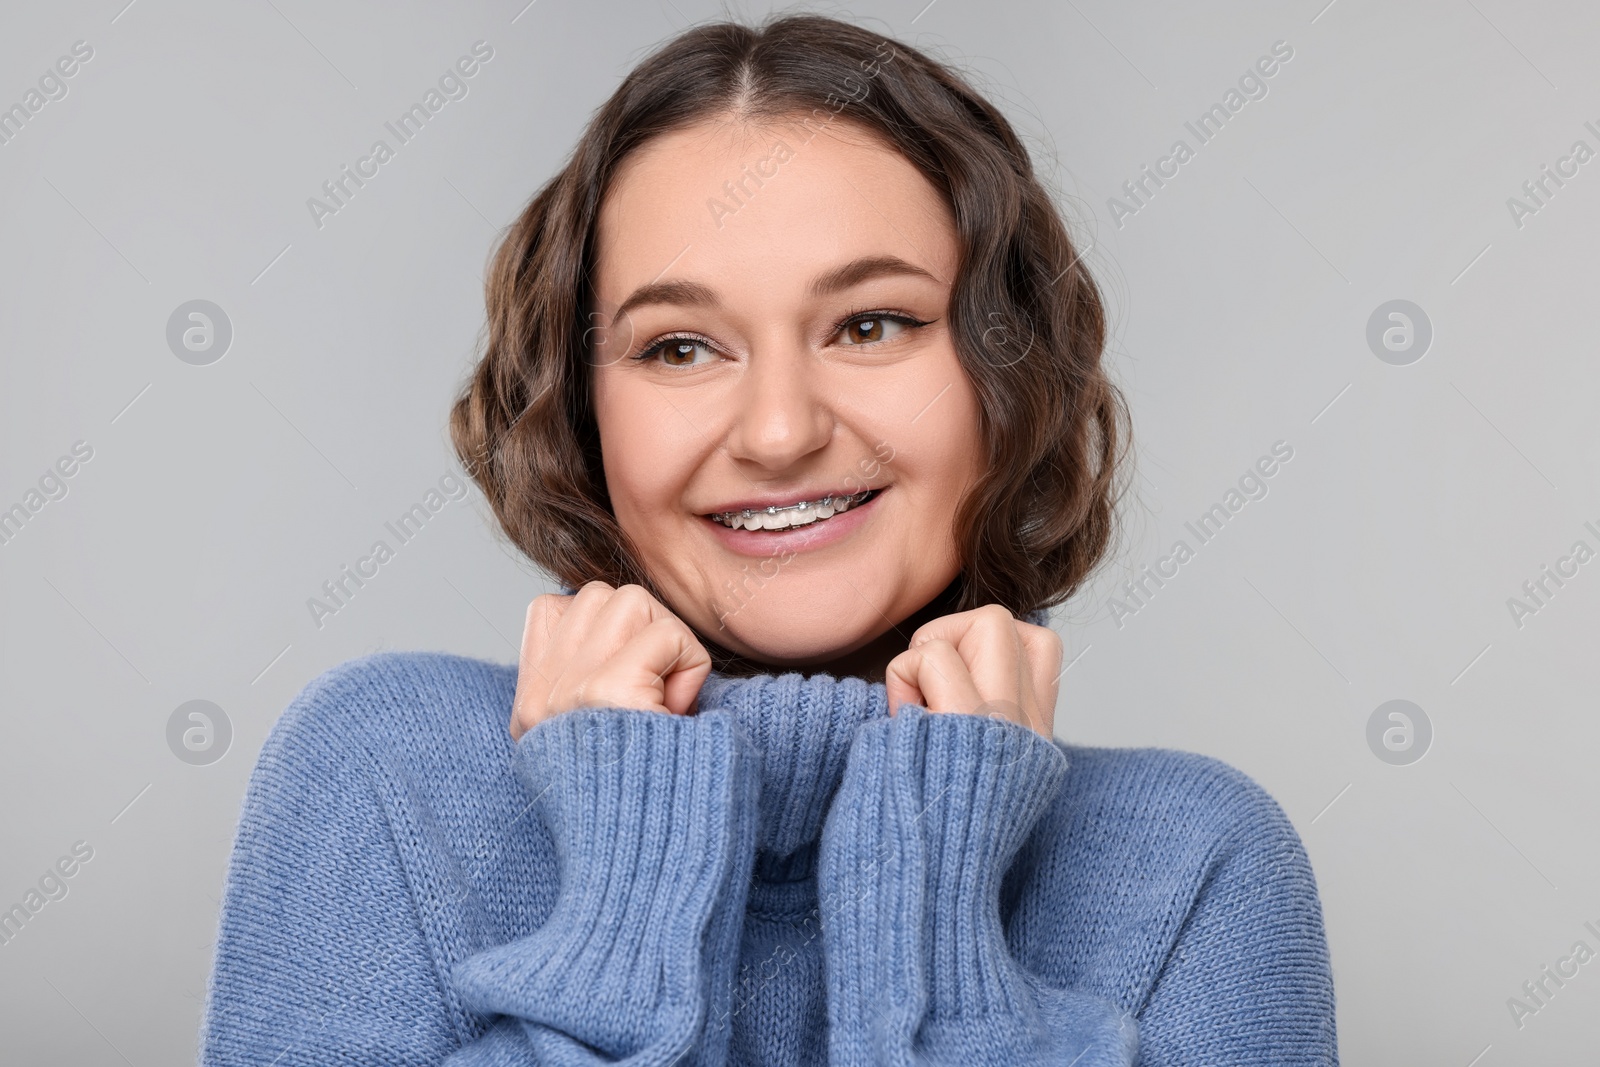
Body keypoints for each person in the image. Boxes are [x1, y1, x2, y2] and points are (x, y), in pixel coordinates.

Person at [199, 13, 1337, 1066]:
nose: (781, 431)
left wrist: (937, 909)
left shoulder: (1196, 866)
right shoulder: (386, 773)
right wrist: (621, 889)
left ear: (1005, 373)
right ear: (584, 411)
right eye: (680, 347)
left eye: (870, 323)